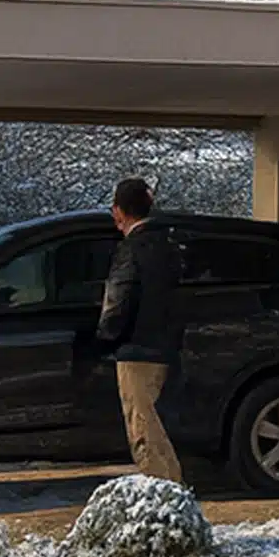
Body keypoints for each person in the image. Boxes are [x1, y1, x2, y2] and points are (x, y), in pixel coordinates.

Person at [97, 178, 185, 484]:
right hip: (170, 346)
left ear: (118, 211)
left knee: (144, 431)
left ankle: (165, 492)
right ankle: (172, 485)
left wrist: (105, 338)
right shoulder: (171, 246)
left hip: (137, 350)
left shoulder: (131, 250)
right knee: (160, 426)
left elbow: (118, 300)